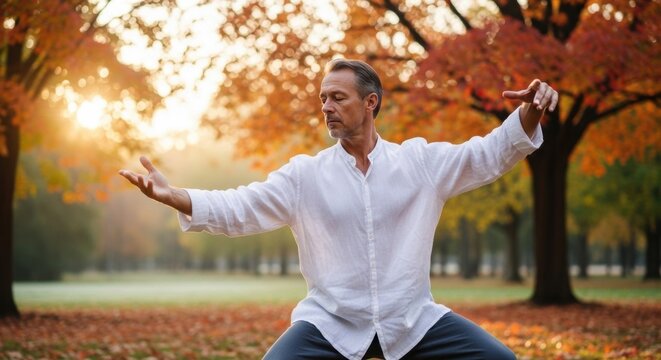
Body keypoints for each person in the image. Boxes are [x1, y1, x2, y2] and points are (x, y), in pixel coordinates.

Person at [119, 58, 557, 360]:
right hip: (329, 325)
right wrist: (174, 194)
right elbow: (241, 207)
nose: (326, 107)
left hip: (411, 322)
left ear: (371, 103)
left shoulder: (420, 163)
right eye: (323, 99)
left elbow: (486, 154)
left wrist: (531, 112)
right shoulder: (304, 176)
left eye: (338, 98)